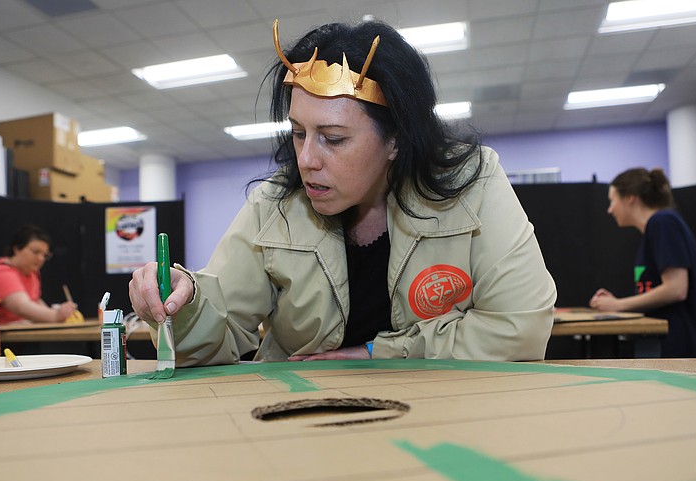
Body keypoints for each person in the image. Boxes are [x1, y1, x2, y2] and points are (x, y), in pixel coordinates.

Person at [129, 19, 557, 366]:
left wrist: (376, 354)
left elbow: (521, 328)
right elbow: (217, 335)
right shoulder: (275, 204)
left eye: (332, 138)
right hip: (305, 426)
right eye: (298, 133)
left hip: (446, 418)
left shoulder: (474, 182)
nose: (306, 159)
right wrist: (184, 304)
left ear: (396, 140)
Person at [589, 167, 696, 357]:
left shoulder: (662, 222)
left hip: (683, 347)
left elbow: (676, 288)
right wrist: (615, 303)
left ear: (630, 197)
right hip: (671, 344)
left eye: (612, 201)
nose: (610, 210)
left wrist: (619, 305)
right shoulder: (657, 227)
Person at [0, 224, 76, 324]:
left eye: (45, 255)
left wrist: (55, 312)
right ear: (17, 249)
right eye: (36, 252)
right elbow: (22, 307)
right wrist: (56, 315)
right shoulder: (1, 273)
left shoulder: (31, 272)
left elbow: (35, 301)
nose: (41, 259)